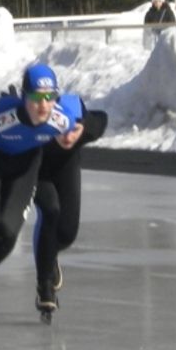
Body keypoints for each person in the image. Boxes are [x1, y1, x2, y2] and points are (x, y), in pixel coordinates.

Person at [0, 63, 81, 345]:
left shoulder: (62, 118)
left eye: (49, 98)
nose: (42, 105)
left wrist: (77, 126)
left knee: (9, 234)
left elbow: (75, 105)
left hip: (24, 169)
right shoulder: (2, 116)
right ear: (24, 97)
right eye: (36, 98)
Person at [32, 100, 109, 321]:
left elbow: (102, 116)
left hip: (66, 168)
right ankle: (44, 287)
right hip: (37, 169)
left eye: (75, 130)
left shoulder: (91, 127)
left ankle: (50, 256)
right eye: (61, 130)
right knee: (50, 210)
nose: (68, 137)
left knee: (66, 233)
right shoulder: (38, 126)